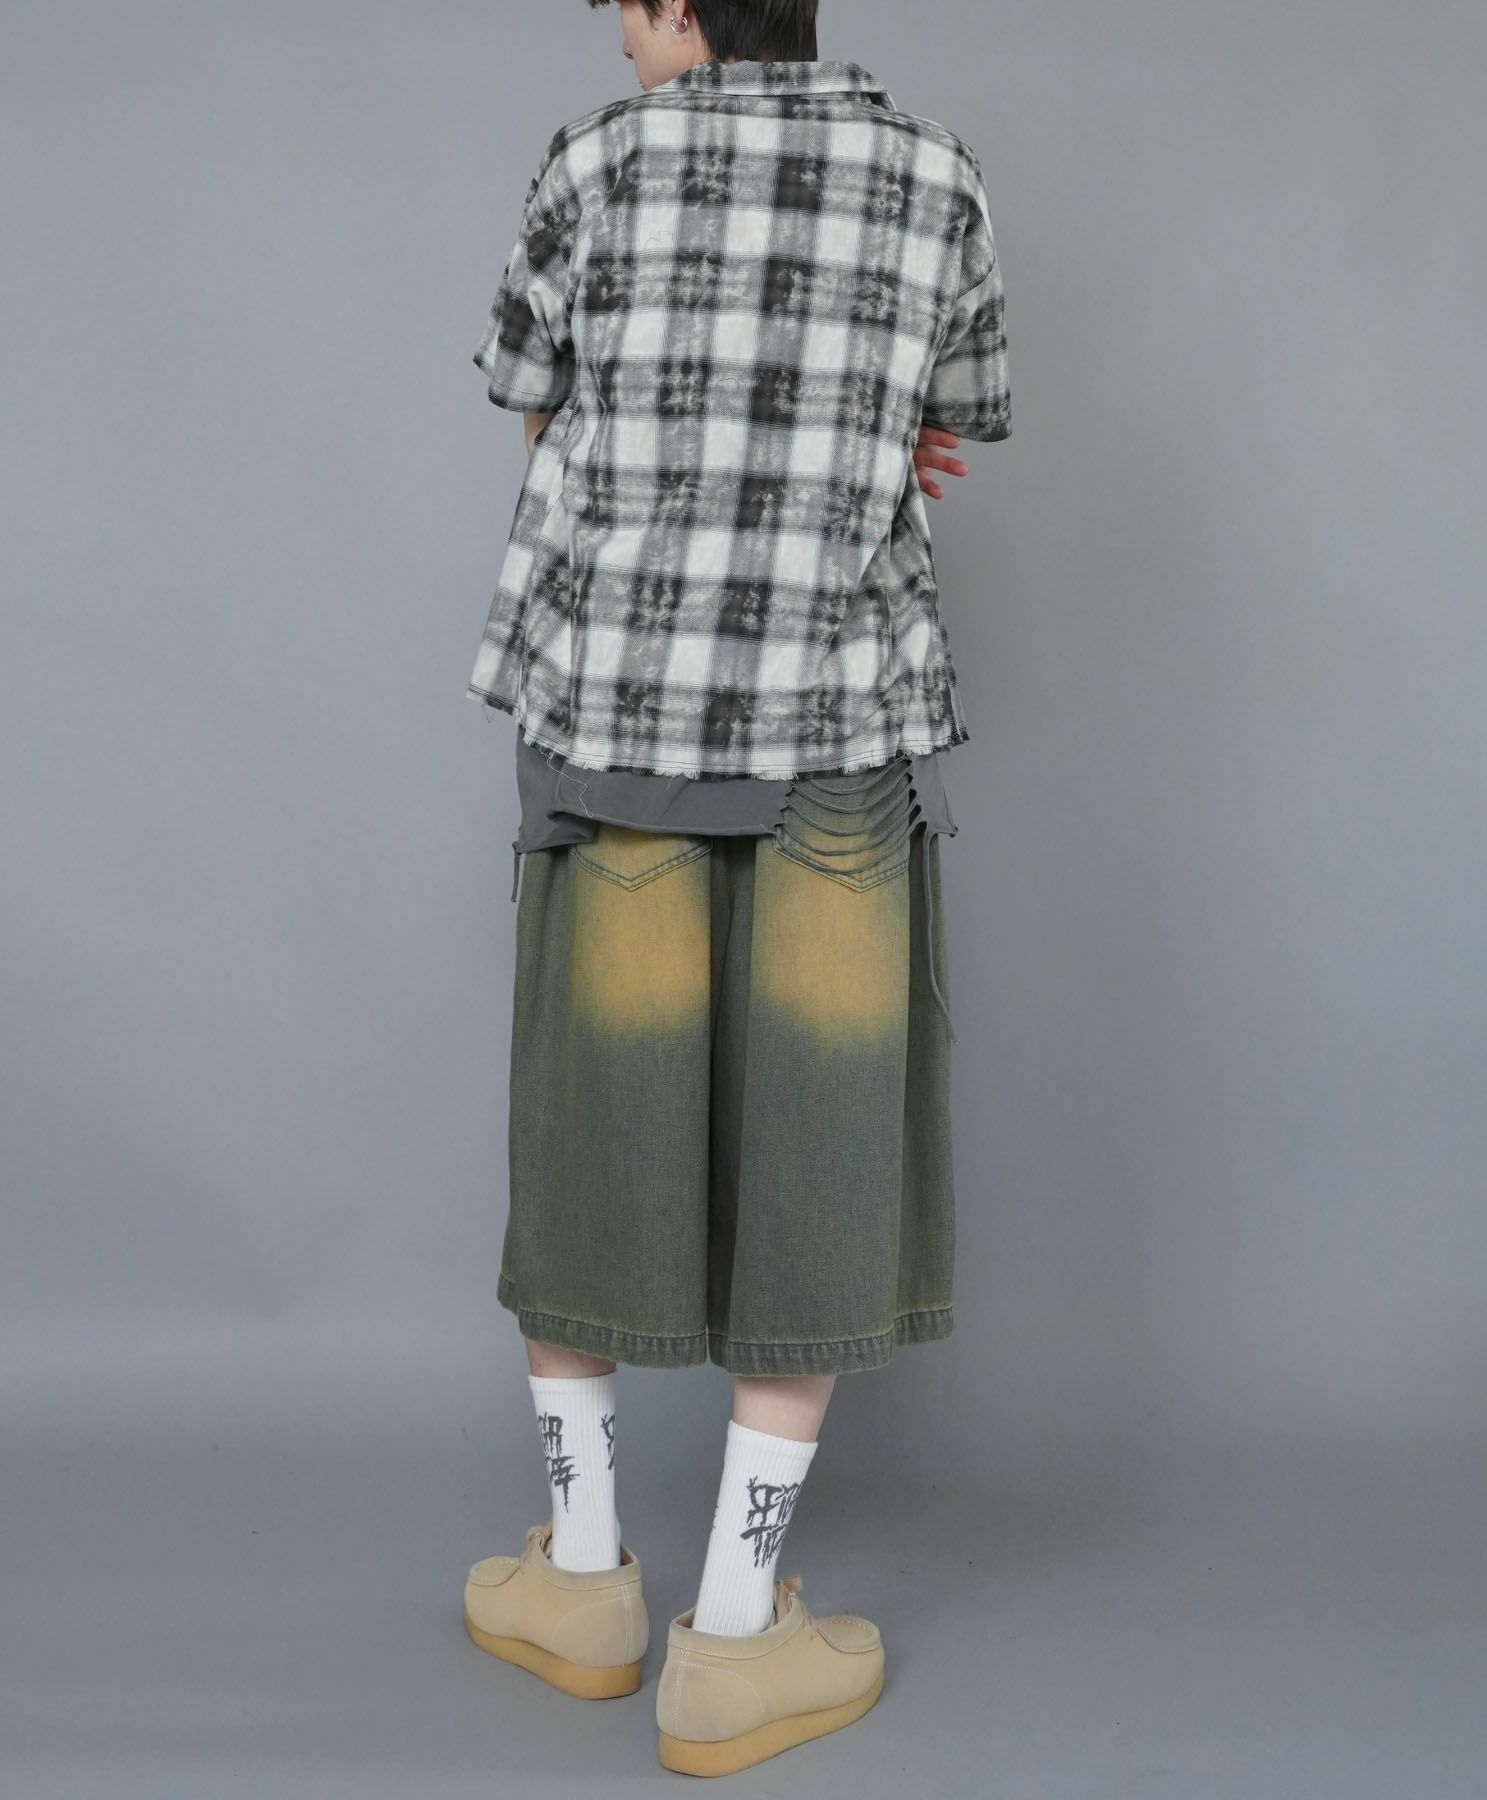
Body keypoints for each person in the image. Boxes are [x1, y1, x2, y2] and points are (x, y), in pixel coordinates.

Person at [459, 0, 1011, 1777]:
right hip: (836, 721)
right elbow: (953, 415)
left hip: (617, 713)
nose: (620, 33)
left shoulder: (590, 161)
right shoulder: (932, 170)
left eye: (629, 5)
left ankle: (584, 1579)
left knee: (590, 1121)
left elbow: (534, 404)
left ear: (680, 4)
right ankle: (739, 1622)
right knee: (826, 1139)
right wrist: (853, 435)